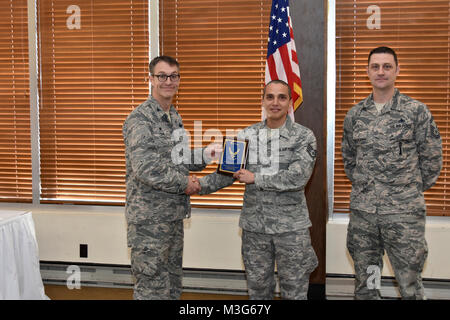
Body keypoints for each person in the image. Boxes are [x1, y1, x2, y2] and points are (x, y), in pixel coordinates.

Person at [197, 80, 318, 300]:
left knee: (295, 292)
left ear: (290, 102)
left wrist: (256, 178)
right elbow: (225, 175)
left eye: (281, 97)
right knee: (258, 292)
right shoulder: (245, 136)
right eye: (270, 97)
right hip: (255, 230)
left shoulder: (304, 136)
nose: (275, 102)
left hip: (291, 230)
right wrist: (195, 185)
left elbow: (298, 177)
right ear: (262, 101)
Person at [341, 46, 443, 300]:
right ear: (367, 72)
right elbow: (350, 161)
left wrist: (404, 191)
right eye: (375, 67)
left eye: (387, 66)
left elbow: (432, 161)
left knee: (409, 284)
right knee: (368, 283)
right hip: (365, 218)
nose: (381, 72)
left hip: (403, 217)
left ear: (397, 70)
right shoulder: (355, 115)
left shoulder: (415, 111)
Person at [122, 55, 221, 299]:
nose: (168, 81)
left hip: (173, 216)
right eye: (162, 76)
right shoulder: (140, 119)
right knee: (152, 288)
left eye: (174, 76)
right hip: (149, 221)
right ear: (151, 79)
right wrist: (185, 183)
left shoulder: (173, 116)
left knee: (172, 285)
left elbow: (179, 158)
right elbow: (145, 168)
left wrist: (208, 154)